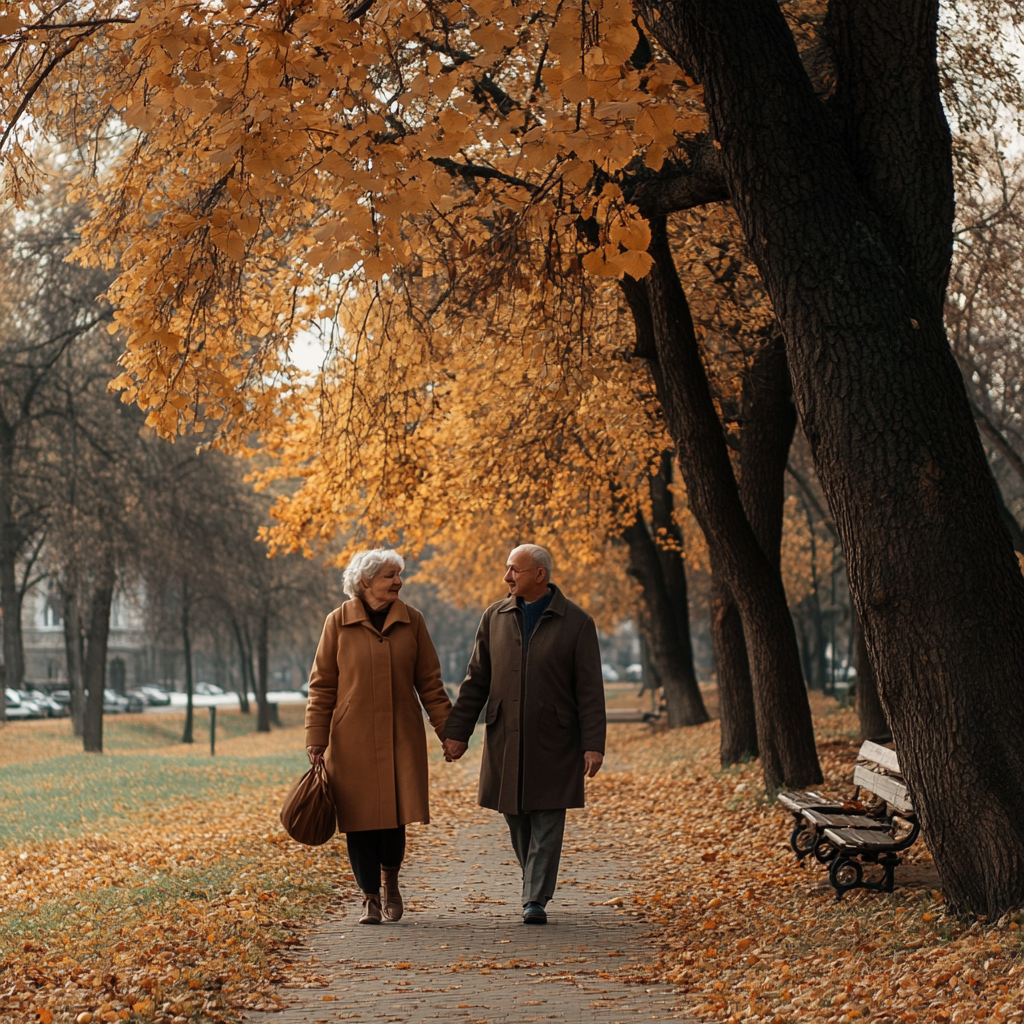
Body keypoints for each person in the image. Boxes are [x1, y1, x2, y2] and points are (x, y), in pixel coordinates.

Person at [442, 544, 606, 924]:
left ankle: (534, 898)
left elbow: (590, 690)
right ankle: (533, 881)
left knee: (548, 815)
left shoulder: (577, 623)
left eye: (514, 570)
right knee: (515, 814)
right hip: (506, 737)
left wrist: (593, 745)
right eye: (507, 569)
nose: (507, 577)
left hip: (556, 740)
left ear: (539, 575)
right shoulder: (494, 617)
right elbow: (476, 680)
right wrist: (457, 732)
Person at [305, 548, 451, 924]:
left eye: (399, 576)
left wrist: (449, 733)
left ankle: (391, 882)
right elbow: (322, 686)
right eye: (390, 576)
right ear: (365, 581)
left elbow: (430, 683)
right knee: (358, 820)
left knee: (393, 819)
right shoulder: (337, 622)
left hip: (400, 735)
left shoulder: (412, 621)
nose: (398, 582)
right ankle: (369, 897)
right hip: (351, 739)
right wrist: (315, 738)